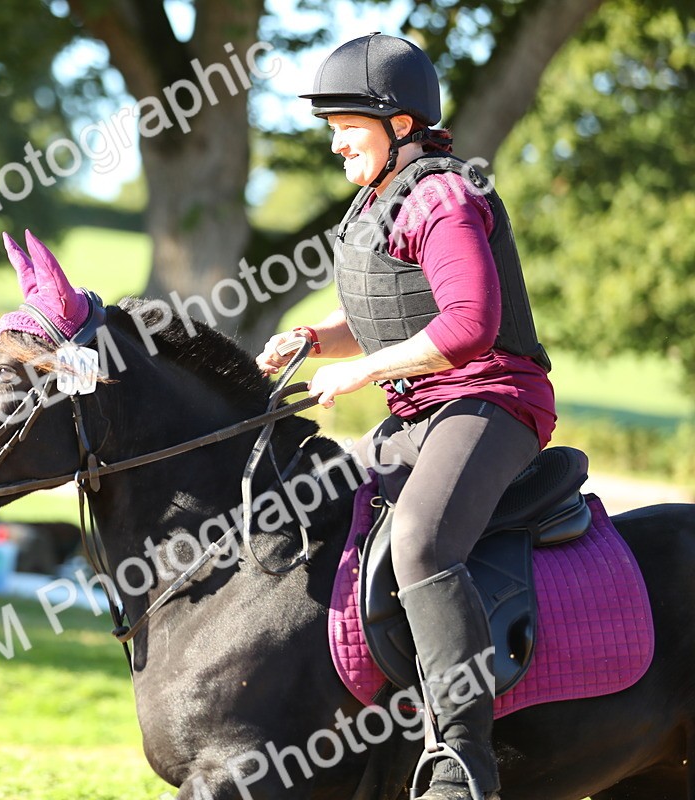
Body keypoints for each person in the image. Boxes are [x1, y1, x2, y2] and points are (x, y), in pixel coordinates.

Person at [255, 33, 556, 800]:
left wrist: (360, 372)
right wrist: (314, 339)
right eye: (331, 129)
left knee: (421, 543)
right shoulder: (376, 201)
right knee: (322, 515)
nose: (335, 143)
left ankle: (463, 761)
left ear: (397, 123)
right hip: (418, 410)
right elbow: (387, 314)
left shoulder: (443, 197)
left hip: (492, 401)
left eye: (345, 127)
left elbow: (469, 326)